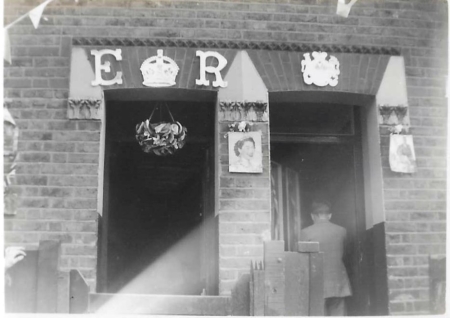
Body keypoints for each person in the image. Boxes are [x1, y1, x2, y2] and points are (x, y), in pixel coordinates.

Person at [300, 201, 352, 316]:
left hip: (316, 282)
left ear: (312, 216)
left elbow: (301, 260)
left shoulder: (305, 233)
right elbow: (347, 255)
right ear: (329, 215)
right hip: (338, 282)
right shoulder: (342, 231)